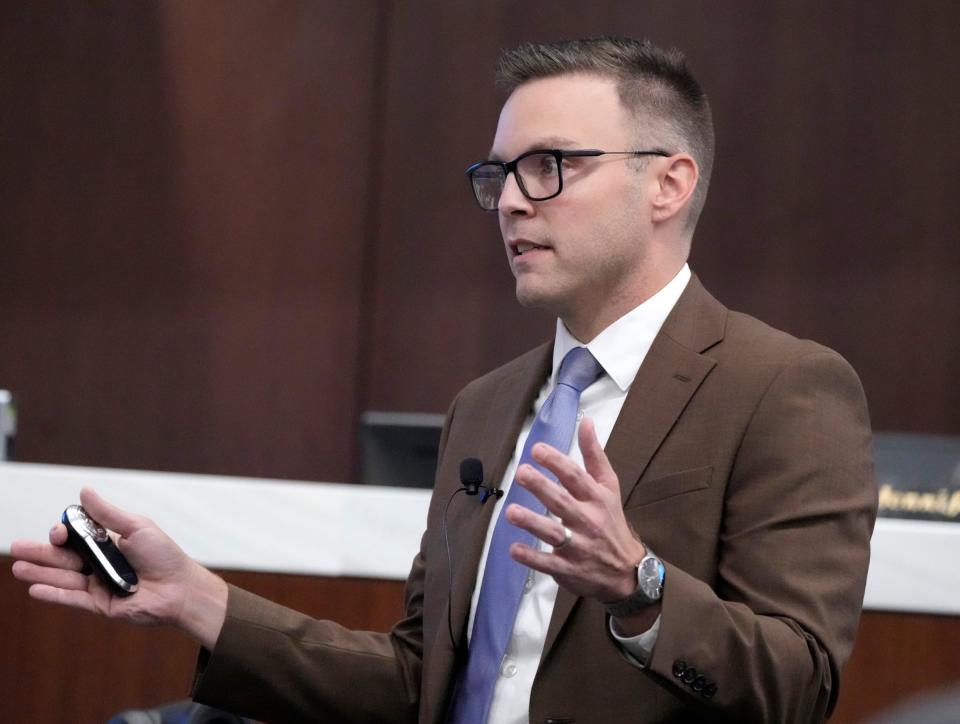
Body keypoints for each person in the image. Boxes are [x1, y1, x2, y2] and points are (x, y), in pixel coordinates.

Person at [11, 37, 877, 723]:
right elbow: (421, 685)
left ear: (668, 183)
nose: (509, 201)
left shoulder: (785, 387)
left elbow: (798, 686)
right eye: (497, 175)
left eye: (550, 167)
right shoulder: (488, 406)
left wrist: (639, 587)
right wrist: (200, 601)